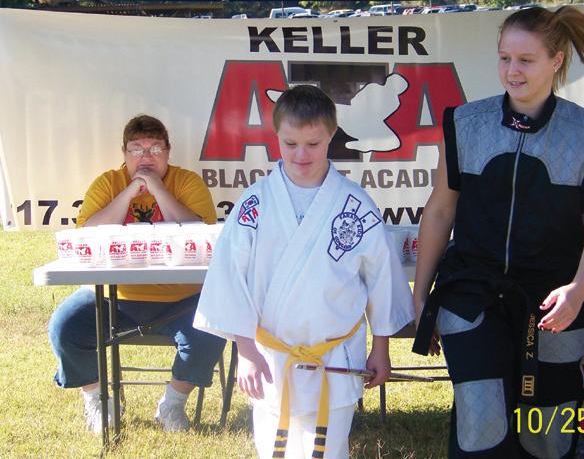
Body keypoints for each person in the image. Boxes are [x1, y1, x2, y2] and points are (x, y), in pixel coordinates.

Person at [412, 6, 584, 458]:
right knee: (481, 425)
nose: (512, 70)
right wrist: (421, 294)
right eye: (504, 58)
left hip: (552, 304)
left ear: (556, 61)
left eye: (526, 60)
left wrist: (577, 290)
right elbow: (440, 212)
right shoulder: (465, 123)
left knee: (547, 437)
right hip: (472, 296)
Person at [193, 85, 414, 459]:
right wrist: (246, 351)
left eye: (313, 144)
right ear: (276, 136)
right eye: (290, 143)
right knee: (273, 448)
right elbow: (230, 277)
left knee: (328, 450)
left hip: (335, 356)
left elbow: (381, 279)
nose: (301, 154)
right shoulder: (255, 203)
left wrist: (381, 348)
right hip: (271, 357)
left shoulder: (355, 204)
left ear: (332, 134)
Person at [48, 114, 226, 433]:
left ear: (168, 152)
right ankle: (98, 400)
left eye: (155, 149)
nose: (146, 157)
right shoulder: (108, 183)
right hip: (114, 296)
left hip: (181, 298)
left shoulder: (187, 182)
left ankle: (172, 404)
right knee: (65, 328)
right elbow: (87, 232)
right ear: (125, 153)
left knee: (214, 327)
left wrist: (157, 188)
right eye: (137, 149)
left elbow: (199, 230)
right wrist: (129, 193)